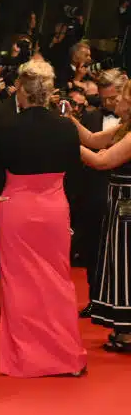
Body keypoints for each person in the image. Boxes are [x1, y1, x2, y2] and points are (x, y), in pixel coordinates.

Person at [0, 60, 87, 376]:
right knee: (58, 281)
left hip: (16, 208)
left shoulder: (4, 127)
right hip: (54, 208)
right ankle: (65, 357)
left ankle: (26, 360)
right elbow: (77, 174)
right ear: (50, 92)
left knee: (18, 286)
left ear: (21, 91)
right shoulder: (66, 127)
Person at [73, 79, 131, 353]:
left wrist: (62, 141)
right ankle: (123, 327)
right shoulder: (124, 129)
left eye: (121, 97)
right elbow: (93, 140)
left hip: (128, 206)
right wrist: (68, 122)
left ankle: (128, 330)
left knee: (126, 264)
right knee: (118, 262)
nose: (115, 101)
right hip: (119, 202)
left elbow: (101, 161)